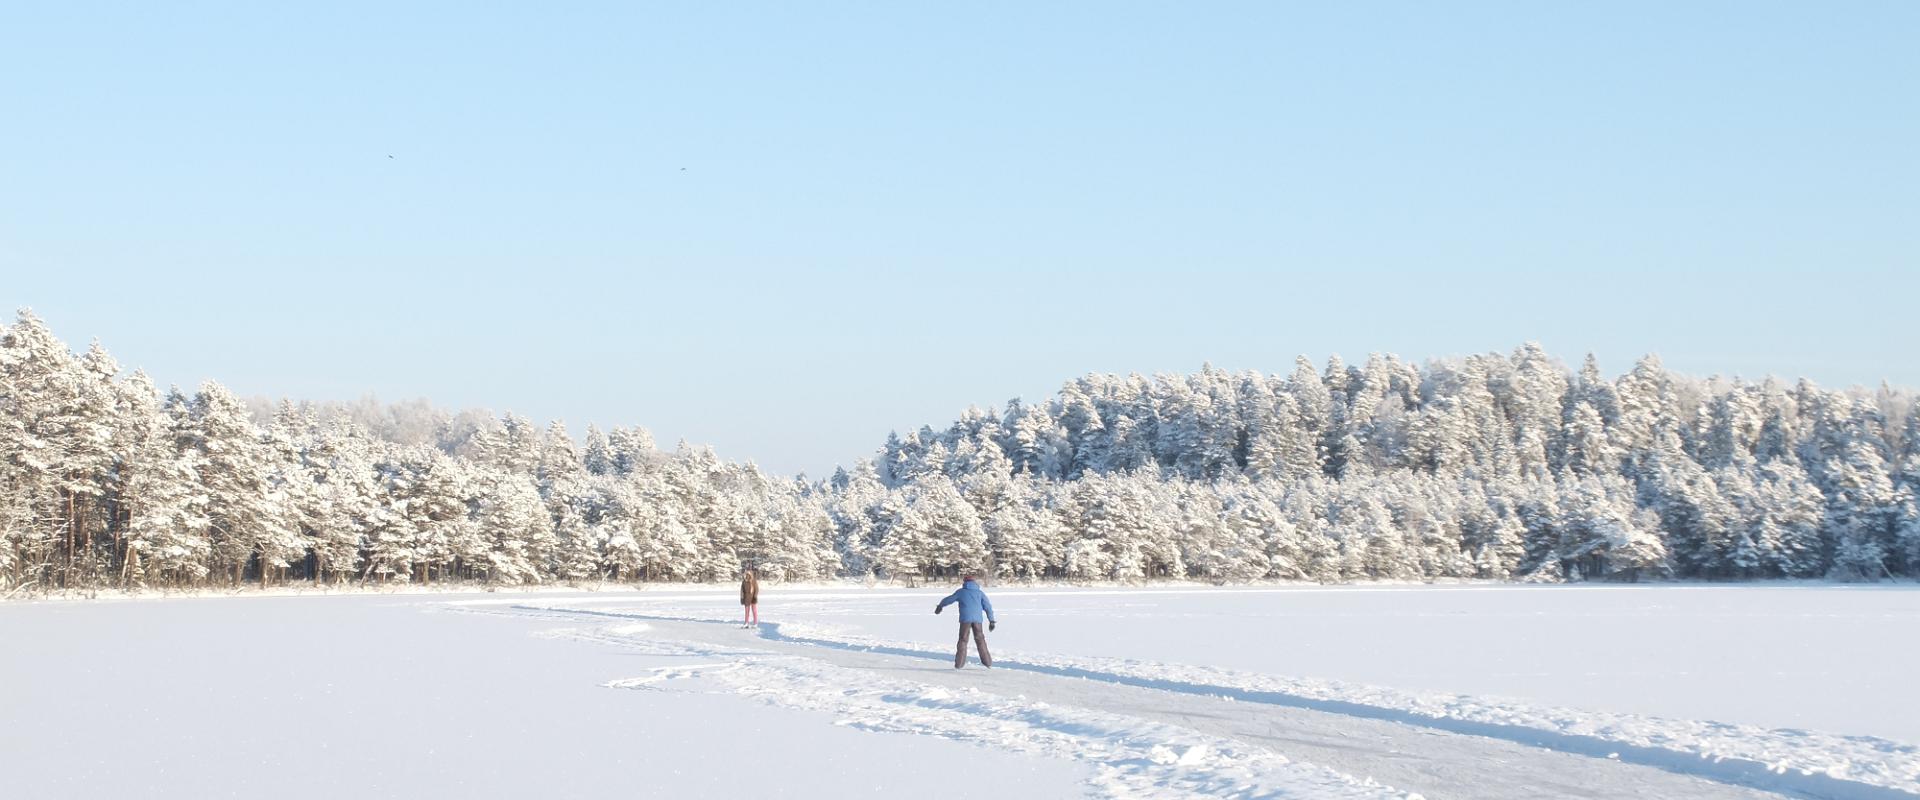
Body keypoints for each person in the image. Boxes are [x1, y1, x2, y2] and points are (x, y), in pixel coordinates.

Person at [934, 575, 996, 668]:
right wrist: (991, 620)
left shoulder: (961, 592)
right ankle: (988, 663)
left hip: (965, 620)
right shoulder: (980, 593)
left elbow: (949, 599)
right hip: (978, 620)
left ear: (965, 582)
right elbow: (988, 606)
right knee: (980, 640)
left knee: (963, 640)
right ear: (974, 582)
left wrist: (940, 606)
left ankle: (959, 664)